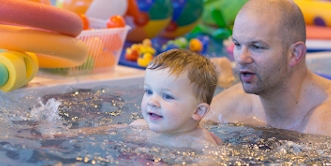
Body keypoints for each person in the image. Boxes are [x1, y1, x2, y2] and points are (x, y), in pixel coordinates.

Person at [206, 0, 331, 138]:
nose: (241, 58)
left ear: (294, 54)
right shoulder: (227, 108)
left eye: (256, 47)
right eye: (238, 45)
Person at [63, 48, 222, 147]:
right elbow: (110, 130)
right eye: (148, 91)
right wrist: (73, 134)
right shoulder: (141, 127)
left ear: (198, 110)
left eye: (167, 96)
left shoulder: (201, 143)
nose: (152, 101)